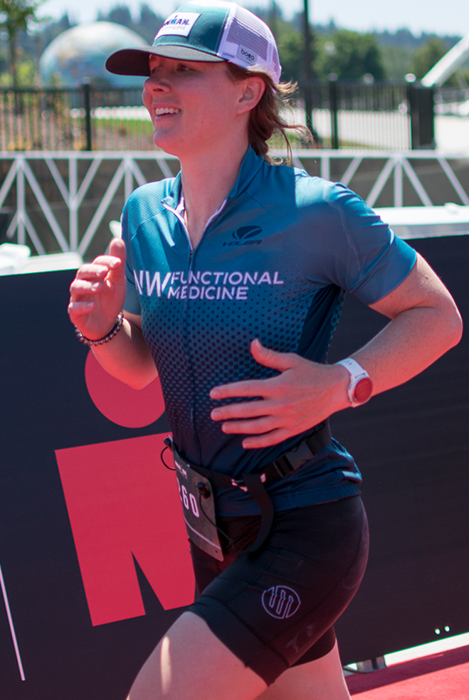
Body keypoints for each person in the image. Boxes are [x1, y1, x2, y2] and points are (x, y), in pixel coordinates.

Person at [68, 3, 462, 699]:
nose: (157, 85)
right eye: (153, 69)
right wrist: (102, 328)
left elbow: (438, 317)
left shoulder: (317, 211)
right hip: (212, 528)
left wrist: (343, 380)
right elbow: (139, 368)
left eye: (183, 70)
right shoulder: (142, 214)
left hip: (304, 523)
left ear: (248, 91)